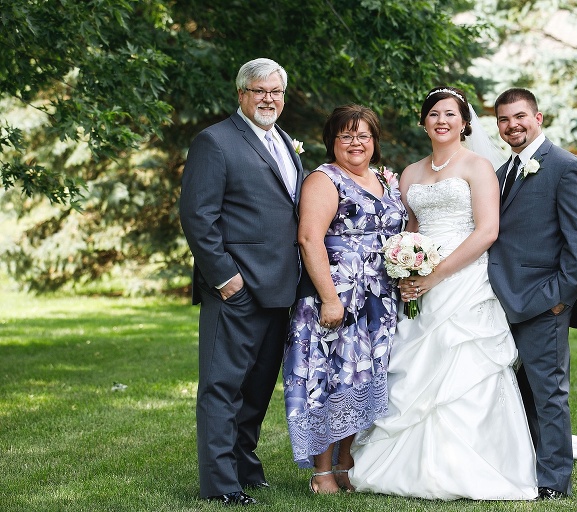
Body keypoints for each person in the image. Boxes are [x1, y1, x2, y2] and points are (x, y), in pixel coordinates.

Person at [349, 87, 538, 500]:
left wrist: (436, 275)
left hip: (464, 281)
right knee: (415, 366)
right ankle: (402, 464)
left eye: (450, 114)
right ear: (424, 122)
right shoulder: (411, 173)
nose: (441, 121)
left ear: (464, 122)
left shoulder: (478, 167)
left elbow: (487, 231)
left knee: (465, 366)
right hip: (420, 281)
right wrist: (405, 265)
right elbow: (410, 230)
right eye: (433, 114)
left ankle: (472, 464)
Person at [179, 58, 304, 505]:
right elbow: (198, 216)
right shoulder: (214, 141)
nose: (268, 99)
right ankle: (220, 485)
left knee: (256, 389)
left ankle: (245, 467)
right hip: (236, 289)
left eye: (276, 91)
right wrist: (225, 278)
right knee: (222, 387)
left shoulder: (284, 141)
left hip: (279, 288)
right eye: (259, 91)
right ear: (241, 94)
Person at [282, 104, 407, 494]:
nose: (356, 143)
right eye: (346, 135)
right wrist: (330, 299)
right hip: (337, 295)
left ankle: (345, 463)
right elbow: (309, 238)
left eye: (363, 135)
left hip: (378, 300)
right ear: (332, 141)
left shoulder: (385, 179)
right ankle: (322, 472)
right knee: (330, 377)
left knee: (361, 376)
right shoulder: (324, 179)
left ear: (375, 141)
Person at [488, 87, 577, 500]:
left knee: (548, 393)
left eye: (519, 116)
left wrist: (559, 298)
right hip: (501, 301)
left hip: (544, 301)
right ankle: (527, 463)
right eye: (503, 120)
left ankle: (554, 481)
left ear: (538, 117)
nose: (512, 125)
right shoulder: (502, 172)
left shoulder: (566, 167)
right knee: (518, 391)